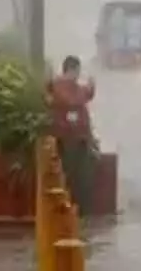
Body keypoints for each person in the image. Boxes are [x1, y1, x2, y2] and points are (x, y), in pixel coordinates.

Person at [47, 55, 97, 216]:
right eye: (77, 71)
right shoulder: (61, 86)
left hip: (79, 137)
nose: (77, 75)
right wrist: (89, 88)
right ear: (71, 69)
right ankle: (73, 207)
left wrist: (91, 87)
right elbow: (72, 100)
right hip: (68, 138)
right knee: (73, 174)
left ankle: (76, 206)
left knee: (79, 174)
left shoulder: (71, 87)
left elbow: (85, 95)